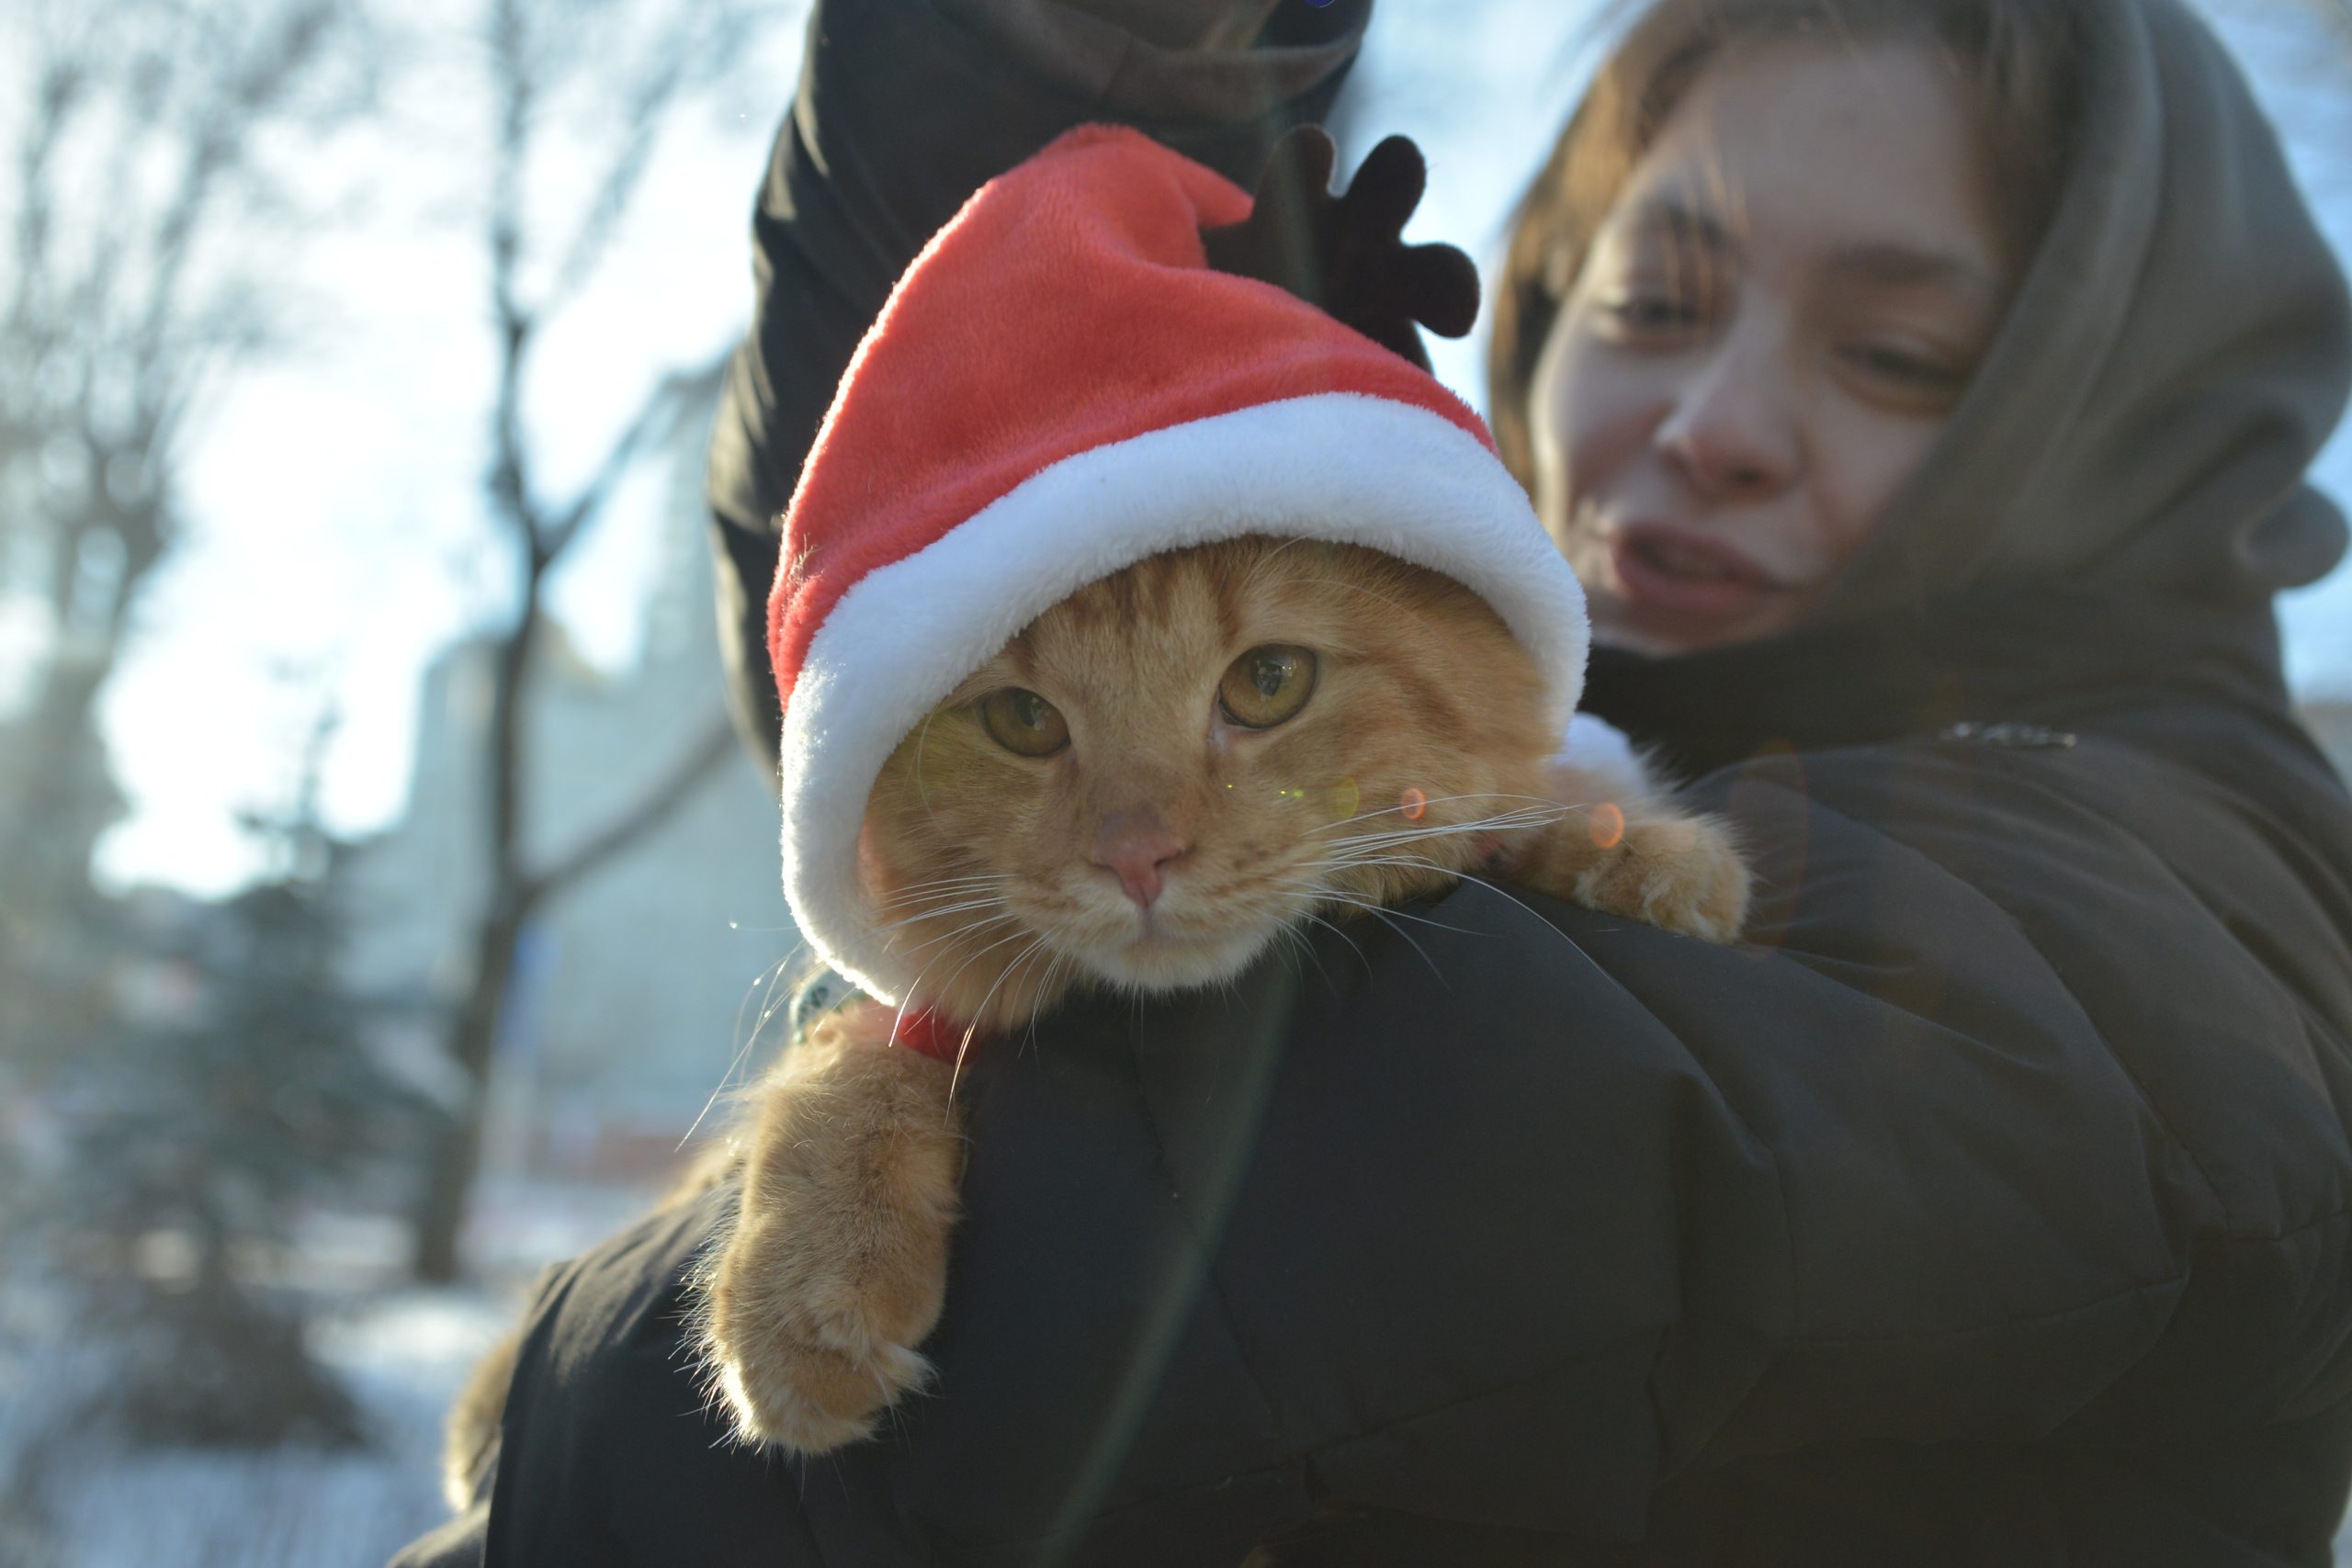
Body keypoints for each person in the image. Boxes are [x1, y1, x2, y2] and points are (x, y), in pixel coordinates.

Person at [390, 0, 2352, 1562]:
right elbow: (899, 625)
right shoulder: (1371, 638)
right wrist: (1049, 64)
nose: (1710, 424)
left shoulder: (2190, 855)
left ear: (2122, 406)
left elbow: (1475, 1140)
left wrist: (596, 1427)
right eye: (1651, 304)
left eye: (1900, 353)